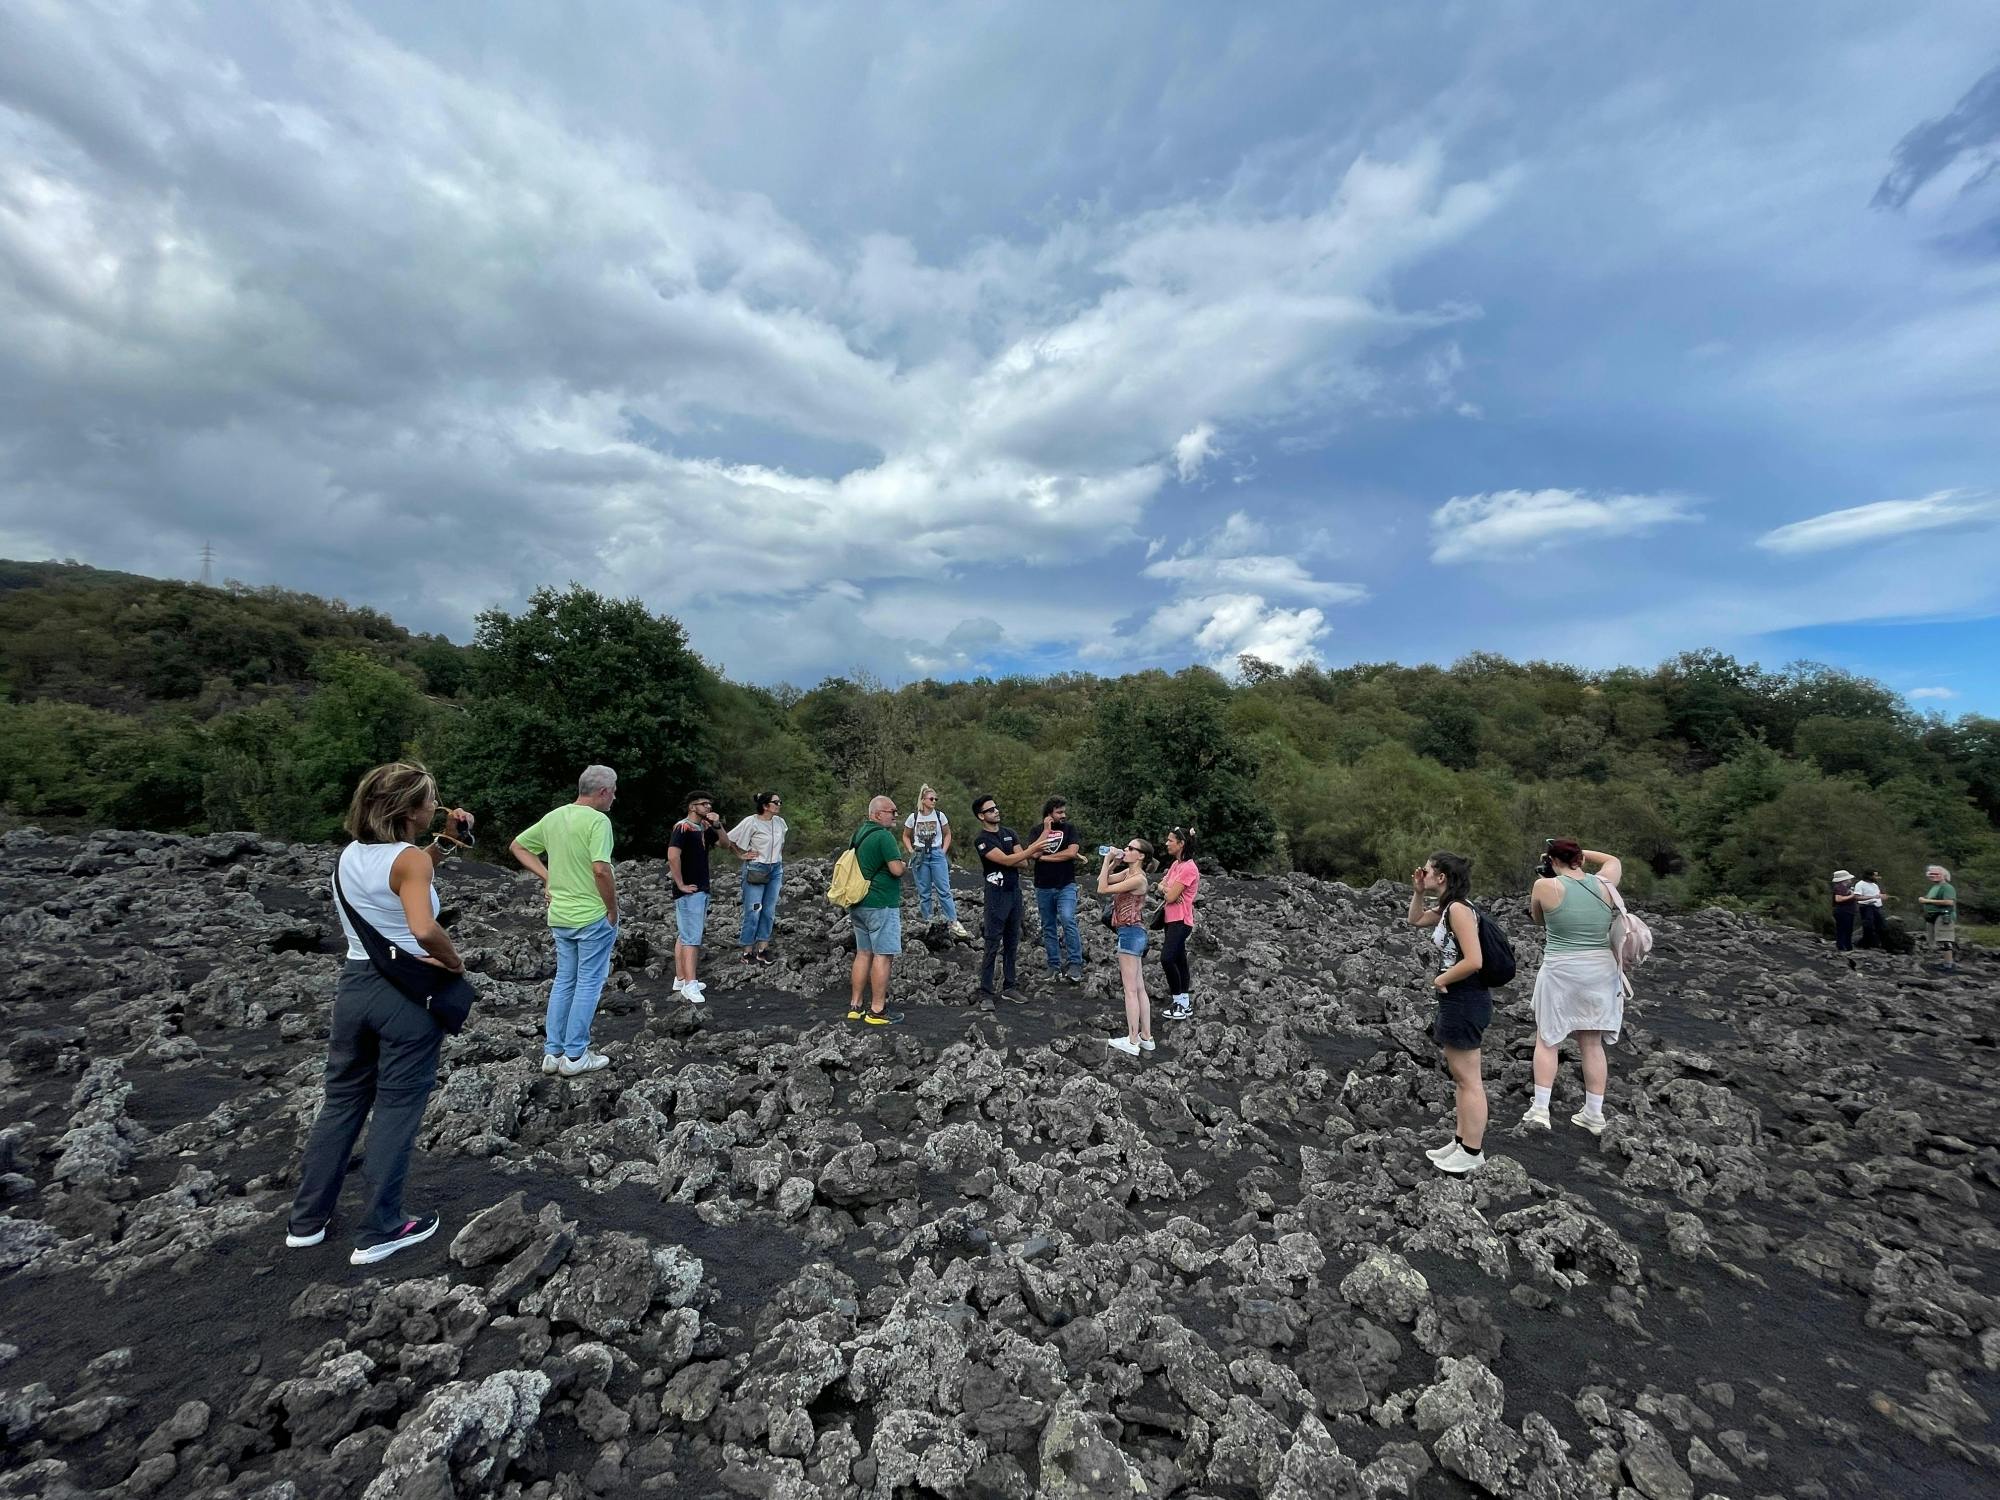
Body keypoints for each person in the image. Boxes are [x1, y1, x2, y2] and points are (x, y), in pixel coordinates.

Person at [286, 762, 471, 1266]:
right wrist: (454, 962)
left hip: (355, 989)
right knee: (396, 1106)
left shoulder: (351, 854)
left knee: (342, 1101)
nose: (435, 806)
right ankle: (382, 1227)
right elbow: (423, 927)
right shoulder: (408, 861)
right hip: (405, 995)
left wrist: (445, 844)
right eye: (430, 801)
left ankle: (307, 1221)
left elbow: (401, 873)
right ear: (410, 810)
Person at [508, 766, 620, 1075]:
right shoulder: (598, 821)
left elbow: (518, 846)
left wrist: (548, 877)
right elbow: (601, 870)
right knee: (588, 983)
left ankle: (553, 1052)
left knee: (564, 981)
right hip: (592, 915)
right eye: (613, 791)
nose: (614, 797)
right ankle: (576, 1056)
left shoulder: (554, 817)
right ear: (603, 792)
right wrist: (612, 909)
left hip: (560, 916)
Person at [1523, 838, 1626, 1136]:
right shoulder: (1605, 884)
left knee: (1548, 1039)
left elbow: (1538, 918)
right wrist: (1580, 853)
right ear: (1579, 858)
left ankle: (1540, 1109)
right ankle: (1593, 1113)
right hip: (1600, 970)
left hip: (1562, 968)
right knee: (1591, 1043)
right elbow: (1613, 860)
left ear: (1552, 861)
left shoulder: (1545, 886)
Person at [1407, 851, 1489, 1176]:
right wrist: (1418, 892)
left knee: (1469, 1080)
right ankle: (1460, 1142)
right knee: (1461, 1078)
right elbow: (1415, 920)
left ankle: (1472, 1151)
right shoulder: (1447, 908)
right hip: (1457, 999)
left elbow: (1474, 960)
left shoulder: (1458, 910)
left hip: (1466, 998)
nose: (1422, 873)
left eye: (1427, 871)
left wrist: (1441, 979)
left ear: (1442, 877)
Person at [847, 795, 907, 1025]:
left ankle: (855, 1006)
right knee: (883, 955)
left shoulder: (859, 833)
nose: (895, 815)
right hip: (881, 903)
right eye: (892, 811)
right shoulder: (884, 836)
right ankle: (877, 1011)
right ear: (877, 814)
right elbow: (896, 870)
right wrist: (904, 865)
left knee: (863, 953)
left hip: (859, 903)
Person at [971, 794, 1036, 1000]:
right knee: (992, 943)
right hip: (996, 894)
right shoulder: (982, 840)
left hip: (1013, 891)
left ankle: (1010, 986)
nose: (996, 811)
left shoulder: (1009, 833)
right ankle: (986, 992)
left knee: (1012, 940)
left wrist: (1016, 857)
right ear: (981, 816)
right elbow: (1007, 860)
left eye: (996, 807)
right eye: (990, 810)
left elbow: (1023, 863)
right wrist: (1031, 850)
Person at [1098, 838, 1156, 1057]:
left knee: (1130, 990)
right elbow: (1102, 879)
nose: (1126, 850)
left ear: (1141, 855)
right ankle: (1146, 1036)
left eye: (1131, 848)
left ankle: (1132, 1040)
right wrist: (1113, 863)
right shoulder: (1129, 874)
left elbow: (1102, 888)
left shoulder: (1138, 878)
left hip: (1130, 934)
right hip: (1134, 932)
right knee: (1139, 988)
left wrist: (1107, 859)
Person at [669, 792, 722, 1004]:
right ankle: (690, 983)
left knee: (685, 933)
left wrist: (717, 825)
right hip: (690, 890)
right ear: (692, 807)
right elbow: (673, 855)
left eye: (709, 804)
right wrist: (680, 883)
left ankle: (681, 979)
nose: (708, 807)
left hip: (700, 887)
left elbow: (725, 843)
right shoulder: (682, 827)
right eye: (703, 804)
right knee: (692, 937)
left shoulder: (704, 828)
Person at [1026, 796, 1085, 983]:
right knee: (1048, 926)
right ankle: (1054, 965)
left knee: (1068, 919)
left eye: (1064, 811)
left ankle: (1075, 963)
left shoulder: (1070, 829)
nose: (1063, 815)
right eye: (1059, 812)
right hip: (1043, 885)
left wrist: (1044, 858)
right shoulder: (1037, 831)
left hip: (1066, 884)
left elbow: (1071, 853)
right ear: (1049, 814)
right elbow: (1033, 852)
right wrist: (1046, 831)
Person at [726, 791, 787, 965]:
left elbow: (781, 843)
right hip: (756, 868)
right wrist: (741, 855)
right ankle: (747, 950)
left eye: (779, 802)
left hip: (775, 869)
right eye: (776, 802)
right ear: (765, 806)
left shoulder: (780, 822)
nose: (779, 805)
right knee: (753, 910)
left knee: (769, 910)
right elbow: (729, 839)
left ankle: (762, 949)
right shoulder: (751, 822)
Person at [903, 785, 971, 939]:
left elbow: (947, 834)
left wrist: (943, 850)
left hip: (936, 853)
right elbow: (906, 835)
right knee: (924, 892)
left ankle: (953, 921)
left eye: (936, 799)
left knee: (944, 890)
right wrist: (911, 851)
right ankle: (928, 921)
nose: (934, 801)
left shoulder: (940, 816)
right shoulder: (914, 817)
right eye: (931, 798)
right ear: (923, 800)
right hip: (920, 854)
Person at [1160, 826, 1201, 1021]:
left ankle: (1178, 1002)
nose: (1166, 843)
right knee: (1179, 959)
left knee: (1167, 958)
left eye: (1170, 840)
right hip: (1170, 919)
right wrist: (1167, 890)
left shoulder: (1189, 868)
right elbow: (1162, 886)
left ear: (1181, 843)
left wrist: (1168, 892)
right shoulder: (1176, 865)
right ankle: (1184, 1002)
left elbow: (1170, 896)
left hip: (1181, 920)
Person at [1920, 863, 1958, 972]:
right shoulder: (1935, 887)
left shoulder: (1947, 887)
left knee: (1945, 940)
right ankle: (1946, 963)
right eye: (1931, 874)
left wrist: (1927, 901)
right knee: (1939, 940)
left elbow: (1949, 902)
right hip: (1933, 916)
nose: (1933, 876)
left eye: (1937, 874)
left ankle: (1948, 965)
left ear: (1944, 875)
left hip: (1944, 916)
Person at [1854, 869, 1888, 949]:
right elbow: (1857, 897)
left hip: (1877, 907)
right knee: (1868, 926)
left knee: (1882, 926)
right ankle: (1867, 944)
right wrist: (1872, 897)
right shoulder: (1860, 884)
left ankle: (1879, 943)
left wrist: (1882, 897)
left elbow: (1877, 895)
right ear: (1869, 876)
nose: (1876, 877)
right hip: (1867, 907)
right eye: (1875, 875)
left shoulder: (1875, 885)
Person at [1831, 869, 1859, 958]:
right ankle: (1842, 946)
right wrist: (1852, 896)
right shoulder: (1839, 887)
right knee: (1843, 929)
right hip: (1843, 911)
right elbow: (1838, 899)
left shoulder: (1846, 888)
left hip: (1848, 911)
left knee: (1848, 929)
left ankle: (1847, 946)